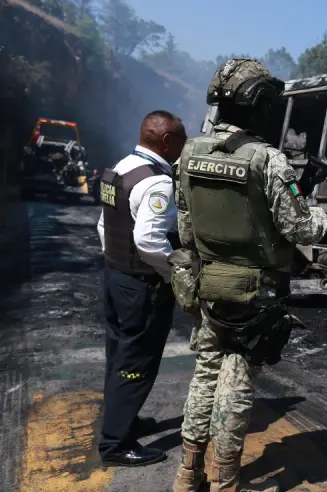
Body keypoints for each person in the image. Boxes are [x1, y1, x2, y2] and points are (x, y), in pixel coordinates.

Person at [170, 58, 327, 492]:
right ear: (258, 106)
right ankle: (225, 481)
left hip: (206, 285)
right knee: (235, 384)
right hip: (253, 293)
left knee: (204, 374)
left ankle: (187, 474)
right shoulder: (269, 161)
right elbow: (301, 228)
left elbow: (185, 227)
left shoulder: (188, 153)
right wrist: (318, 212)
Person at [96, 110, 187, 466]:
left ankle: (122, 421)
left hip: (115, 277)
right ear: (167, 142)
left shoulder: (119, 168)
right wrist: (172, 273)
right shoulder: (158, 182)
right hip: (140, 286)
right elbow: (149, 240)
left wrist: (118, 263)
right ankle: (116, 445)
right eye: (181, 139)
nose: (183, 146)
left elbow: (105, 226)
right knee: (136, 363)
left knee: (118, 354)